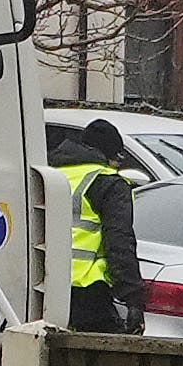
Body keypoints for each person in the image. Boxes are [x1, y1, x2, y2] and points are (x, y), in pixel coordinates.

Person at [58, 121, 145, 332]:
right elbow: (119, 241)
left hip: (44, 285)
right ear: (111, 156)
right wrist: (133, 298)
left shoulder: (52, 174)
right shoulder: (109, 183)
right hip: (87, 291)